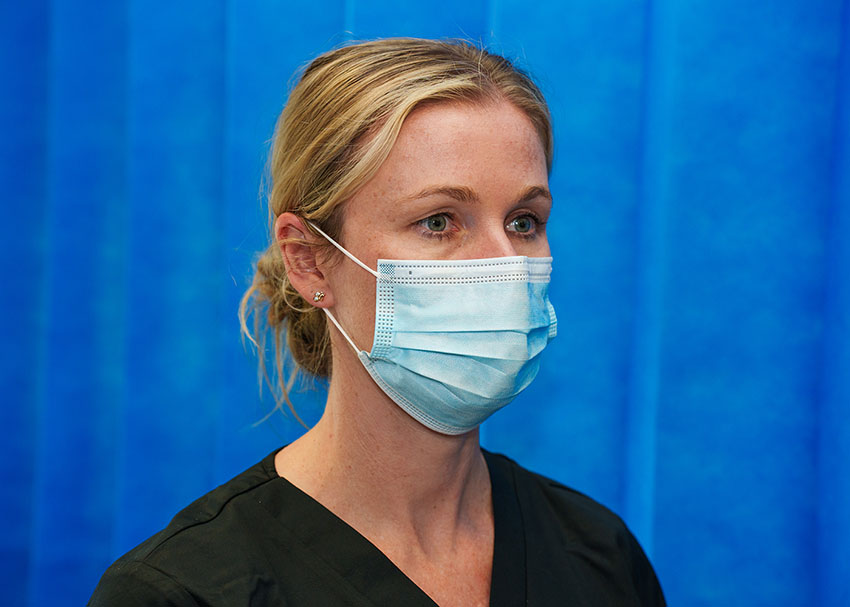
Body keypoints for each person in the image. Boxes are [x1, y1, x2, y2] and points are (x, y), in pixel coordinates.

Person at [89, 38, 665, 606]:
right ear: (309, 259)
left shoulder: (598, 555)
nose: (506, 267)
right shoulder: (184, 591)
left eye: (523, 221)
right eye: (439, 221)